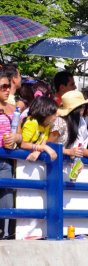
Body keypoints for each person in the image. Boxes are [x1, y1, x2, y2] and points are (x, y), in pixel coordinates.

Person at [48, 90, 88, 164]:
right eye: (83, 106)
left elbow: (75, 148)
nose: (84, 109)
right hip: (52, 165)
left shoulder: (78, 122)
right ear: (76, 109)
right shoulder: (60, 122)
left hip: (63, 164)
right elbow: (49, 144)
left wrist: (77, 161)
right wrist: (67, 151)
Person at [0, 70, 21, 239]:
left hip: (6, 161)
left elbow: (20, 136)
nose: (8, 90)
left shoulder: (14, 109)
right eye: (3, 87)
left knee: (6, 202)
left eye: (8, 86)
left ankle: (5, 235)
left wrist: (15, 137)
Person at [20, 97, 58, 162]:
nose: (56, 117)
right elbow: (23, 144)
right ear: (45, 112)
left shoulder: (46, 125)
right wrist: (43, 148)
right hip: (22, 159)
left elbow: (43, 143)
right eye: (53, 114)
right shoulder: (32, 122)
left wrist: (38, 151)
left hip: (33, 160)